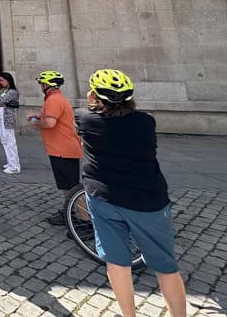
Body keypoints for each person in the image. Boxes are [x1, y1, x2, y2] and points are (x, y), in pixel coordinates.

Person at [77, 69, 187, 317]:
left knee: (117, 264)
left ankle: (129, 314)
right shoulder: (146, 122)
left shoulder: (86, 119)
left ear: (94, 96)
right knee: (165, 267)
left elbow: (85, 129)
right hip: (148, 200)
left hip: (105, 198)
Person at [26, 70, 82, 225]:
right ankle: (69, 214)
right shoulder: (55, 99)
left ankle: (85, 222)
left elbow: (50, 123)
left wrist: (36, 124)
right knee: (66, 186)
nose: (40, 86)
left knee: (73, 188)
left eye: (41, 84)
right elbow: (52, 117)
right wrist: (39, 116)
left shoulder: (53, 100)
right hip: (60, 149)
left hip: (63, 149)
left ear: (46, 84)